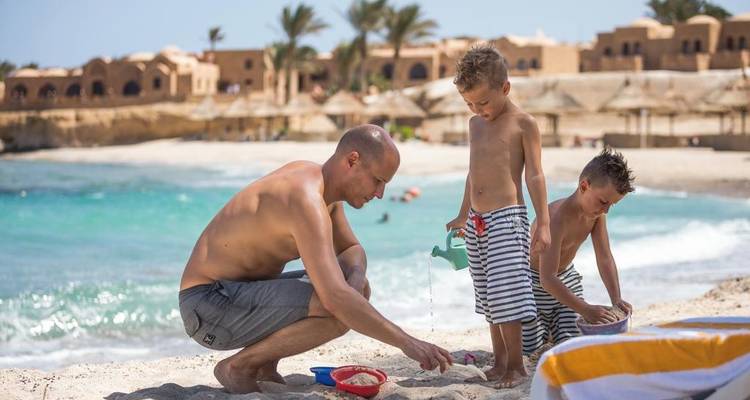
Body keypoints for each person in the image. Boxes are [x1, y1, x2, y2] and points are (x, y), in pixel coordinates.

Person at [179, 124, 451, 394]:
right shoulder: (305, 198)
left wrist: (355, 278)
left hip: (234, 298)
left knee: (355, 291)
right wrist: (408, 343)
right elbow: (335, 299)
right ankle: (240, 367)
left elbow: (351, 249)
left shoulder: (321, 187)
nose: (380, 193)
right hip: (208, 305)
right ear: (352, 160)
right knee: (339, 305)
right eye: (378, 180)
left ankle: (264, 365)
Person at [445, 44, 551, 388]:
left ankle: (517, 366)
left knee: (509, 293)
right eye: (469, 103)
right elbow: (472, 173)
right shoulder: (475, 125)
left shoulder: (523, 124)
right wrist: (462, 214)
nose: (477, 109)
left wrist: (544, 222)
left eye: (483, 102)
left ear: (505, 88)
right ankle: (500, 360)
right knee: (490, 295)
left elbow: (535, 175)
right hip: (477, 222)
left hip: (507, 219)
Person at [523, 148, 635, 355]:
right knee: (530, 349)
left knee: (572, 344)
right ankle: (544, 328)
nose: (606, 210)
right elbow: (547, 278)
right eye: (603, 201)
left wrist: (616, 298)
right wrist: (585, 308)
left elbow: (605, 257)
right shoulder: (555, 219)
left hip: (566, 281)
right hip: (533, 286)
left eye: (612, 205)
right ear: (584, 186)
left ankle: (555, 326)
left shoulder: (596, 215)